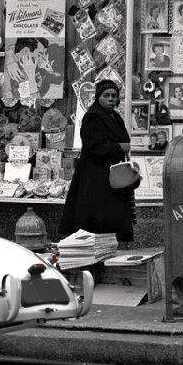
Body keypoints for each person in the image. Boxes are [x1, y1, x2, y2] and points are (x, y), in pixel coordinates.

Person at [61, 79, 136, 247]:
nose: (111, 99)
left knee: (109, 222)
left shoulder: (114, 116)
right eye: (106, 95)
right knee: (98, 222)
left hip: (111, 174)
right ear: (98, 97)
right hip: (95, 178)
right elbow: (94, 147)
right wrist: (120, 147)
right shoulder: (93, 117)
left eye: (114, 96)